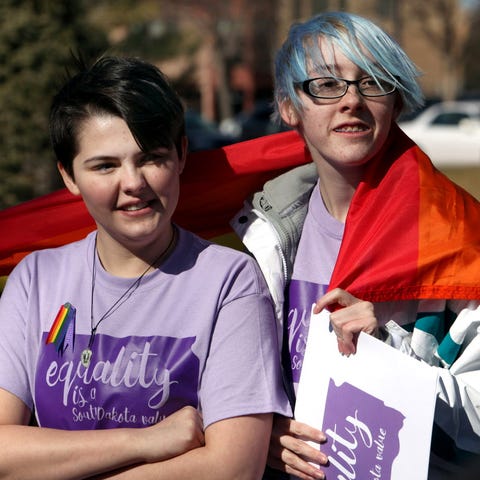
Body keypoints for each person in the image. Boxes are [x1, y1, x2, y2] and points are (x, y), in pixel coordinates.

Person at [0, 56, 292, 479]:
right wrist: (145, 439)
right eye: (105, 165)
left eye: (151, 158)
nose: (133, 183)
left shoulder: (229, 282)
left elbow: (233, 468)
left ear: (182, 155)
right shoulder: (35, 280)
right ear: (68, 176)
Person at [231, 11, 480, 480]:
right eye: (326, 85)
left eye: (373, 83)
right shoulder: (257, 233)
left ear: (397, 103)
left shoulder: (461, 236)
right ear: (289, 106)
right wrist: (257, 432)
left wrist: (389, 360)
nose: (351, 101)